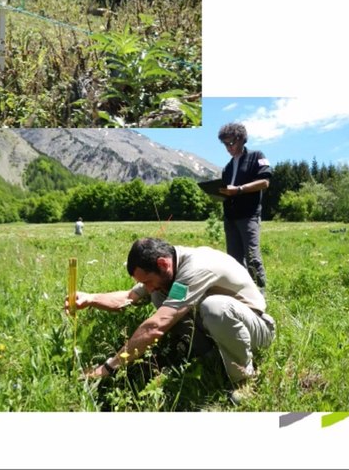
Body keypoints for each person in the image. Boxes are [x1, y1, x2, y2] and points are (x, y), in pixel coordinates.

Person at [69, 237, 275, 403]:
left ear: (162, 263)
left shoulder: (196, 268)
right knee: (161, 294)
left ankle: (243, 378)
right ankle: (210, 360)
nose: (147, 287)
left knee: (214, 308)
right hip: (225, 332)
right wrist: (91, 298)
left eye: (148, 281)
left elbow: (156, 326)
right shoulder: (166, 269)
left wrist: (108, 367)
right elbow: (128, 298)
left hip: (257, 329)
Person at [215, 122, 271, 290]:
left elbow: (265, 182)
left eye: (231, 143)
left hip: (249, 215)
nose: (228, 147)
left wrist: (239, 190)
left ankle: (260, 295)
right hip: (230, 217)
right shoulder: (228, 167)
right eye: (225, 144)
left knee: (252, 257)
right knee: (234, 260)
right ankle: (241, 293)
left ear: (241, 139)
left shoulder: (257, 156)